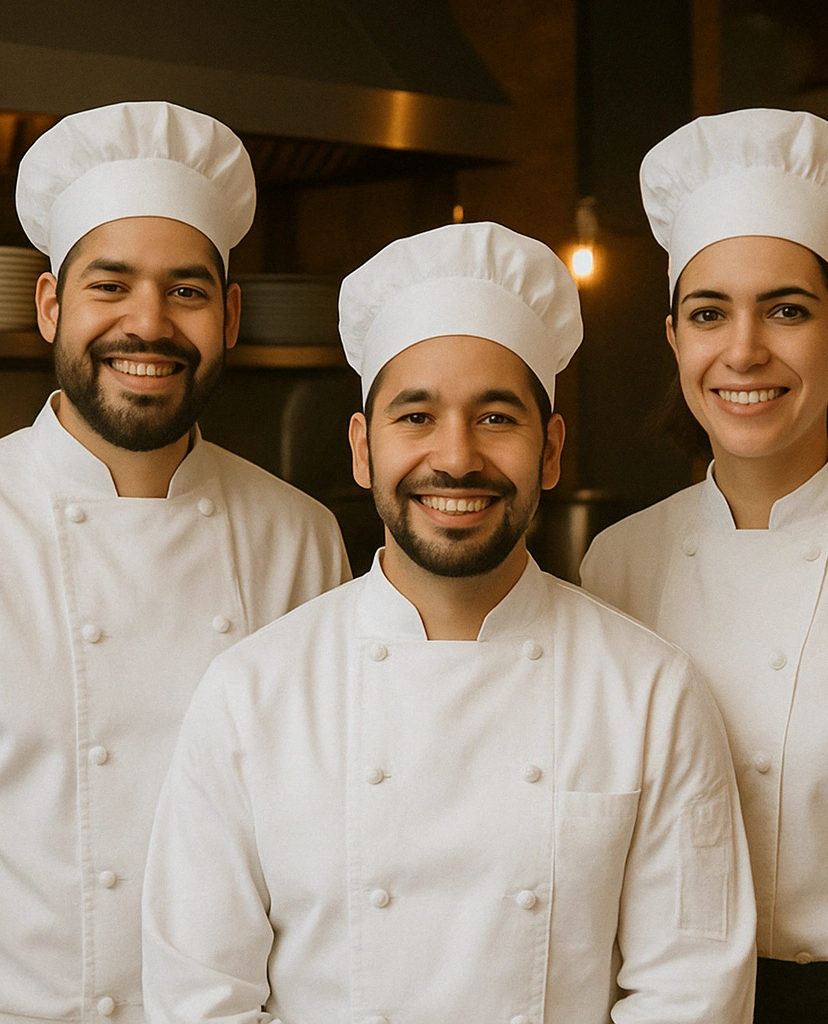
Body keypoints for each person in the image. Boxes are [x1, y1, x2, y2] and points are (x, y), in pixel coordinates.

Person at [141, 220, 756, 1023]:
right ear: (363, 449)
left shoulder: (651, 692)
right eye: (416, 417)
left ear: (551, 449)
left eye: (497, 418)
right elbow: (199, 995)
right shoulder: (251, 693)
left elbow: (692, 990)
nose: (457, 458)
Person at [0, 101, 349, 1024]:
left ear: (230, 315)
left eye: (187, 291)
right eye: (110, 285)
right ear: (50, 305)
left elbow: (329, 840)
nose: (149, 324)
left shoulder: (301, 537)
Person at [581, 108, 828, 1023]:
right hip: (663, 1002)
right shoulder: (616, 563)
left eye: (786, 310)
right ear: (676, 342)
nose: (743, 350)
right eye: (709, 314)